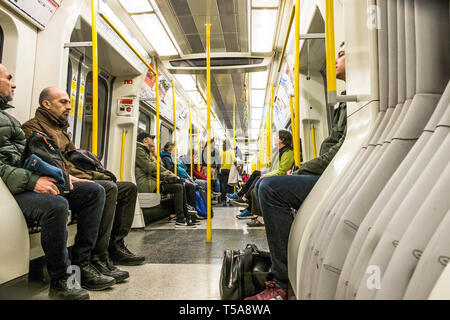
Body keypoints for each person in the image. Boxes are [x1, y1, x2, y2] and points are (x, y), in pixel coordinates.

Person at [0, 64, 113, 300]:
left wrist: (57, 175)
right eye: (8, 79)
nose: (14, 84)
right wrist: (32, 181)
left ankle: (83, 264)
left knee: (95, 191)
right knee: (57, 205)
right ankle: (60, 280)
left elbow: (25, 158)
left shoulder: (7, 119)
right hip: (9, 190)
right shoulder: (28, 126)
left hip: (20, 181)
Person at [245, 43, 347, 300]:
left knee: (268, 186)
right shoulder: (347, 100)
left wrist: (299, 169)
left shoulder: (359, 99)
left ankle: (283, 282)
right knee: (263, 182)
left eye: (343, 53)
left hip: (340, 175)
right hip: (329, 171)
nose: (335, 58)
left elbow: (338, 153)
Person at [22, 87, 144, 280]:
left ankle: (114, 246)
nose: (69, 107)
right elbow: (53, 164)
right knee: (107, 188)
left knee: (128, 188)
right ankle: (92, 257)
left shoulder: (61, 129)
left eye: (69, 103)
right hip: (58, 181)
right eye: (63, 102)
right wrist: (90, 177)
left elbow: (72, 160)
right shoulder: (33, 128)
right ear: (46, 104)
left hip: (74, 176)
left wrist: (93, 174)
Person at [135, 133, 198, 228]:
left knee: (180, 184)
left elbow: (158, 168)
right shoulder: (139, 150)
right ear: (145, 140)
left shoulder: (147, 152)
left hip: (152, 181)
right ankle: (181, 218)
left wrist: (171, 175)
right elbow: (150, 168)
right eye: (151, 138)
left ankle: (185, 216)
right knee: (178, 187)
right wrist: (169, 176)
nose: (153, 141)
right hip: (146, 183)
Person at [228, 130, 294, 220]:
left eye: (276, 137)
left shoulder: (287, 152)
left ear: (281, 139)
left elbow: (282, 171)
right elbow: (274, 168)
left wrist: (266, 175)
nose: (274, 138)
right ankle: (242, 197)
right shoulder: (280, 152)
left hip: (280, 178)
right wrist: (265, 172)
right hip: (275, 175)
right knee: (256, 173)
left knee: (258, 179)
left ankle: (245, 200)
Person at [160, 142, 203, 220]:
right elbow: (171, 172)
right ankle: (188, 212)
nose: (176, 152)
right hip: (172, 180)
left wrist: (188, 178)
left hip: (178, 178)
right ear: (170, 150)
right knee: (189, 186)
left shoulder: (173, 159)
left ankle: (192, 211)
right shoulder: (167, 159)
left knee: (191, 185)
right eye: (175, 150)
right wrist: (184, 179)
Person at [219, 139, 236, 206]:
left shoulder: (221, 152)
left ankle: (223, 200)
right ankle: (230, 200)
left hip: (222, 170)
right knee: (230, 185)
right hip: (229, 170)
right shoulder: (231, 151)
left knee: (223, 185)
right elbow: (234, 160)